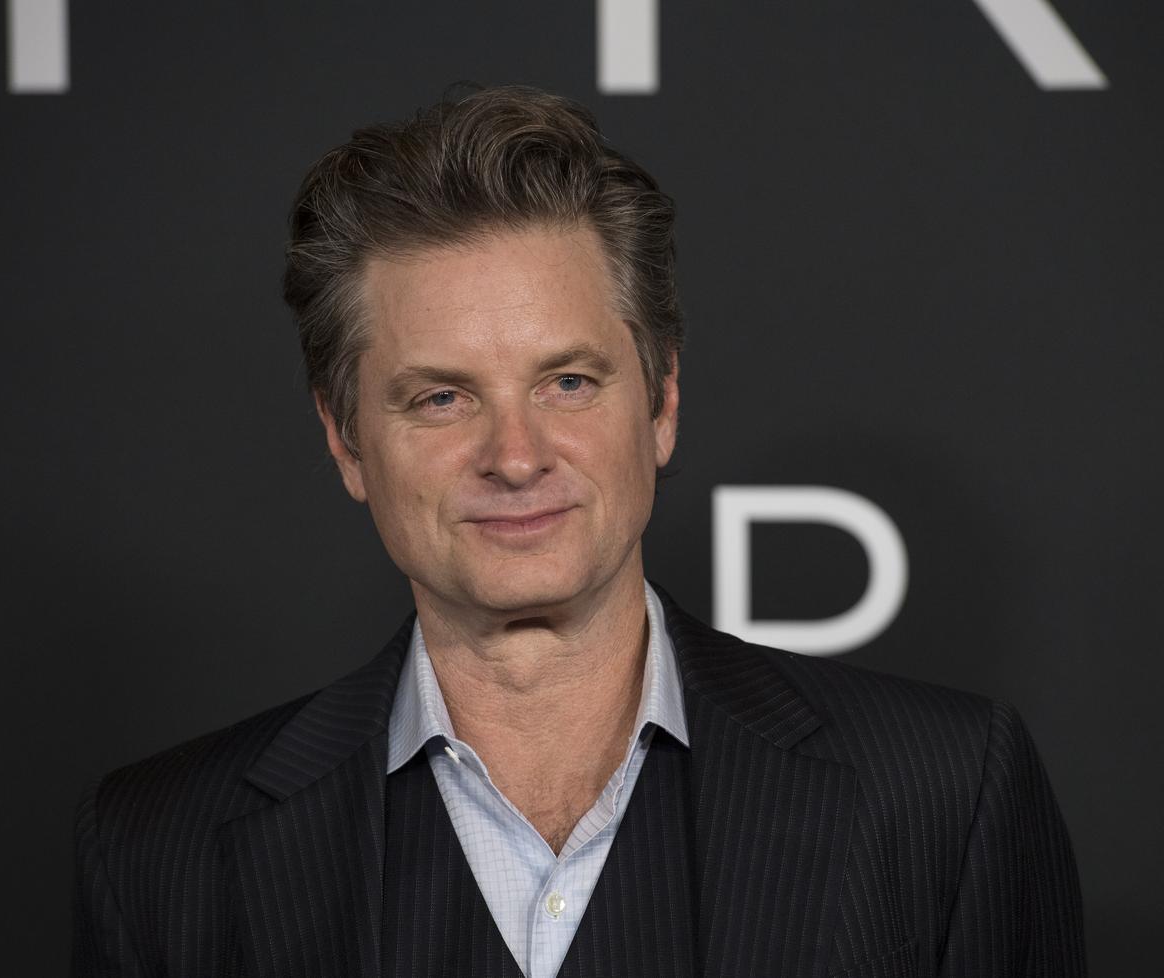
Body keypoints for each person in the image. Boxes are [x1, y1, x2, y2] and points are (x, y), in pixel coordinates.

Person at [72, 86, 1084, 978]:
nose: (515, 456)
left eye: (567, 381)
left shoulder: (941, 793)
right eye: (438, 399)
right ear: (345, 441)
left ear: (660, 403)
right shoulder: (167, 848)